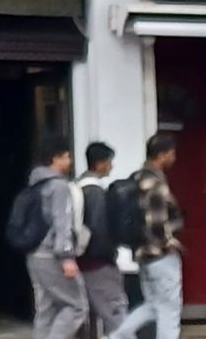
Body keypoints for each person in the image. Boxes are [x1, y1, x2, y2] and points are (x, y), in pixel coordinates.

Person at [109, 133, 184, 339]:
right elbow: (157, 221)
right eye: (172, 153)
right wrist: (168, 242)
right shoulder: (155, 182)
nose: (174, 158)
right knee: (170, 311)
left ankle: (115, 337)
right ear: (161, 155)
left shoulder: (137, 178)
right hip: (160, 254)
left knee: (153, 306)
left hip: (142, 254)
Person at [25, 134, 89, 339]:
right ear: (55, 159)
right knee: (77, 306)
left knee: (46, 309)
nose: (70, 161)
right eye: (67, 156)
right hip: (53, 254)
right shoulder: (59, 186)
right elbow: (62, 222)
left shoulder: (35, 183)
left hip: (34, 254)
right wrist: (67, 257)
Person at [78, 141, 128, 338]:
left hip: (81, 261)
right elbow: (99, 229)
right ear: (99, 163)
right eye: (109, 162)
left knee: (89, 317)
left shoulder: (78, 187)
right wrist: (109, 255)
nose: (111, 166)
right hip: (98, 263)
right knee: (115, 313)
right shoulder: (95, 192)